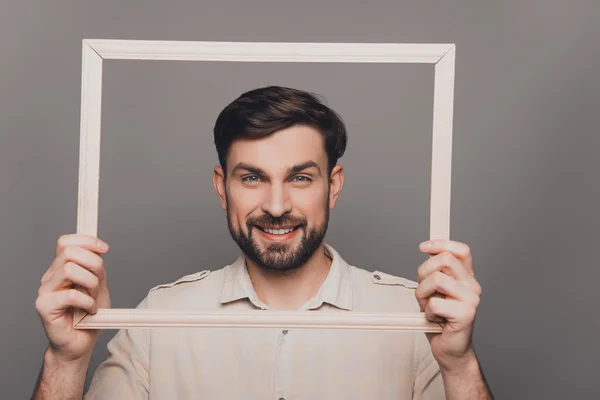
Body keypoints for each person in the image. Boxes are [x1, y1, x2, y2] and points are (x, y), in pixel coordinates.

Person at [32, 86, 493, 399]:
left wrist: (460, 365)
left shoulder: (412, 319)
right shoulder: (159, 319)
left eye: (300, 177)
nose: (276, 205)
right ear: (221, 187)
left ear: (332, 186)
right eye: (252, 177)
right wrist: (66, 360)